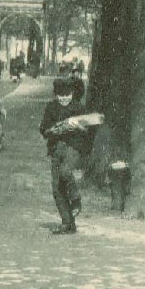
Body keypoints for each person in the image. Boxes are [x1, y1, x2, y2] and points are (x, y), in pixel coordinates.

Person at [39, 77, 87, 234]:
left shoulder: (79, 108)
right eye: (61, 95)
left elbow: (88, 130)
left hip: (73, 147)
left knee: (65, 172)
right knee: (57, 187)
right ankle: (67, 223)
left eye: (67, 94)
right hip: (55, 148)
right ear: (56, 94)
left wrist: (78, 126)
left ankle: (76, 199)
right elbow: (43, 129)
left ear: (72, 93)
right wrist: (52, 130)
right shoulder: (51, 107)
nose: (64, 98)